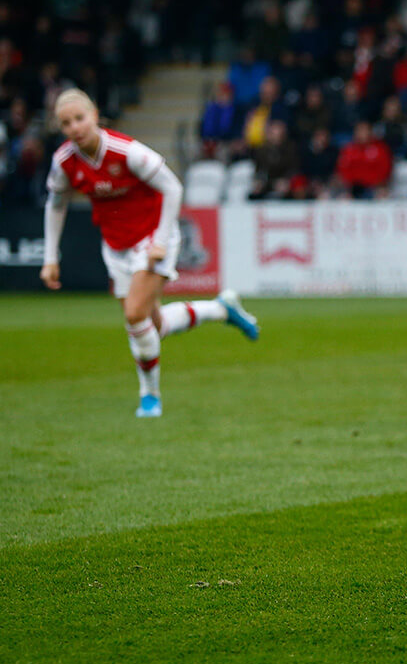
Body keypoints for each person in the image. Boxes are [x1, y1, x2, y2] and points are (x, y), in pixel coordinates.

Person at [40, 89, 259, 418]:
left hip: (153, 237)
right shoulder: (64, 162)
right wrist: (50, 257)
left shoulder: (125, 151)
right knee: (153, 326)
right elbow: (56, 205)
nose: (74, 127)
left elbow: (173, 187)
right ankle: (221, 309)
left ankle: (150, 396)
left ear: (95, 115)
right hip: (115, 246)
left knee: (134, 315)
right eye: (66, 123)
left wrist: (160, 240)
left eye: (79, 118)